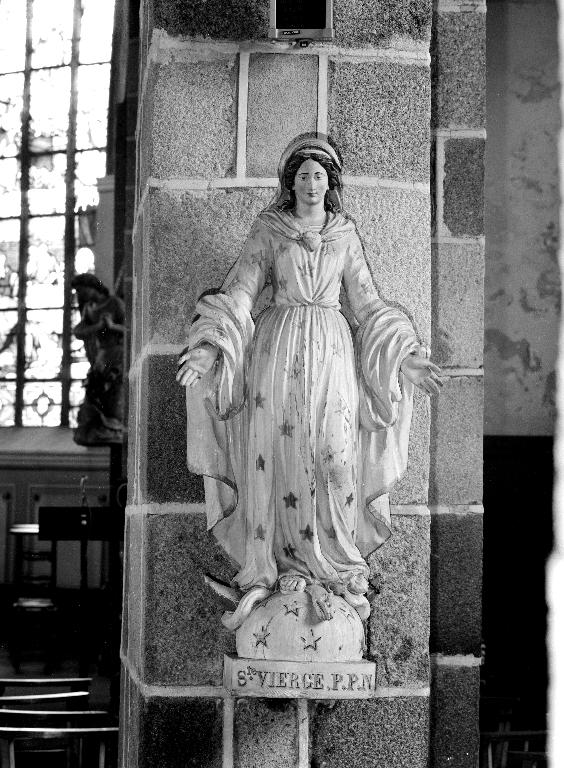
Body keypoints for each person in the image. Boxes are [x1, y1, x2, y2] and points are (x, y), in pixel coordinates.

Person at [177, 134, 442, 628]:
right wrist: (209, 349)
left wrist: (405, 358)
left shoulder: (344, 235)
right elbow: (239, 294)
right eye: (303, 174)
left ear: (331, 183)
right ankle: (270, 571)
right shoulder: (269, 231)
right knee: (275, 453)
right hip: (276, 352)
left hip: (333, 354)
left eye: (320, 175)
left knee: (336, 454)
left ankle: (336, 568)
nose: (311, 183)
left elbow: (366, 305)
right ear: (290, 182)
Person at [72, 274, 125, 445]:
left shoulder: (114, 303)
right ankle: (105, 427)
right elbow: (79, 331)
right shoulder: (89, 307)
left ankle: (115, 427)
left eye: (81, 290)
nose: (79, 294)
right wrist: (98, 326)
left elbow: (130, 329)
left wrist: (112, 326)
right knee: (97, 391)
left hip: (117, 353)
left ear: (92, 286)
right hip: (101, 355)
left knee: (112, 391)